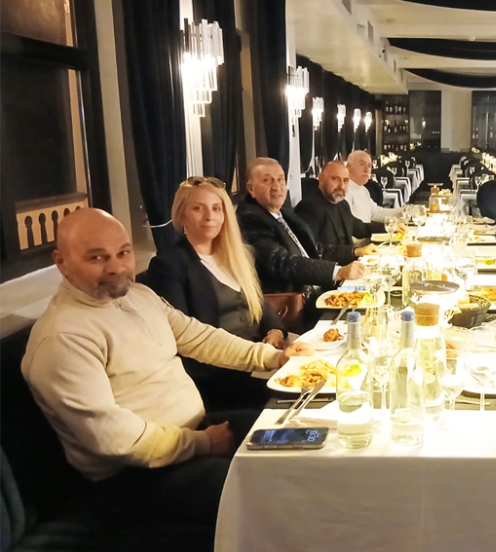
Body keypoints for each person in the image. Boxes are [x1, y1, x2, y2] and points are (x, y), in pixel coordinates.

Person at [21, 208, 313, 524]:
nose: (116, 267)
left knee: (301, 435)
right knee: (267, 489)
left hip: (190, 436)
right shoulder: (62, 337)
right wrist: (202, 443)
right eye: (97, 257)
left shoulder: (138, 296)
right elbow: (111, 438)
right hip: (137, 477)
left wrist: (272, 357)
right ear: (62, 262)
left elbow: (199, 337)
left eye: (123, 252)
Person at [143, 176, 288, 410]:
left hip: (261, 357)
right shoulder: (168, 265)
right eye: (198, 208)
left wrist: (275, 331)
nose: (209, 216)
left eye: (216, 208)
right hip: (219, 376)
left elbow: (259, 302)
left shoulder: (237, 255)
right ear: (182, 216)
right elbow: (185, 339)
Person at [237, 157, 370, 294]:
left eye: (280, 179)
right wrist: (338, 272)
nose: (277, 187)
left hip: (318, 289)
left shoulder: (284, 213)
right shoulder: (249, 218)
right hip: (294, 301)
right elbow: (283, 262)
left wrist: (355, 251)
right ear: (251, 189)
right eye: (267, 180)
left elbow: (316, 249)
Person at [295, 161, 386, 247]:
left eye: (345, 180)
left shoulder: (343, 205)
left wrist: (389, 227)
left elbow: (362, 229)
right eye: (335, 179)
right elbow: (315, 249)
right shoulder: (308, 208)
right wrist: (355, 251)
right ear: (321, 180)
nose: (341, 186)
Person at [345, 151, 403, 224]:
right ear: (348, 167)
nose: (366, 169)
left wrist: (405, 211)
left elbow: (377, 213)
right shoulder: (344, 191)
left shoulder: (363, 190)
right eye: (362, 164)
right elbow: (350, 224)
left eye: (369, 165)